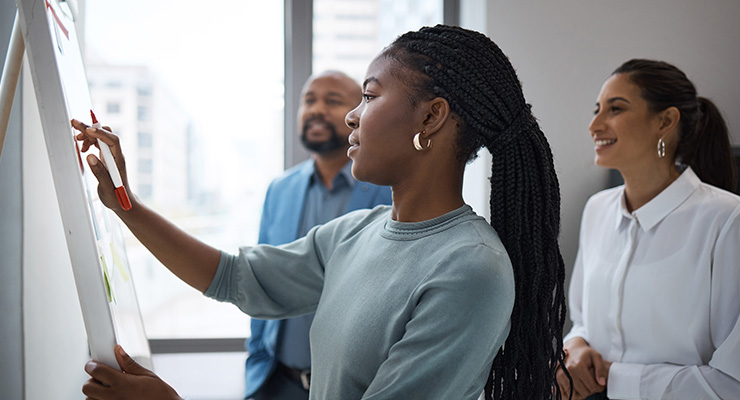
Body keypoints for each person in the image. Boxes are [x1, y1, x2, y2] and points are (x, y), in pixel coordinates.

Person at [76, 24, 568, 400]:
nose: (353, 114)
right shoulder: (356, 232)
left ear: (431, 117)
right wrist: (126, 204)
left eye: (370, 96)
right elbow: (234, 277)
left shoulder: (471, 268)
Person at [557, 59, 740, 400]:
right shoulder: (597, 209)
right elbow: (582, 322)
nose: (594, 124)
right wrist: (576, 347)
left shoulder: (727, 221)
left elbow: (732, 382)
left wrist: (613, 378)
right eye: (597, 109)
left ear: (666, 121)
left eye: (615, 108)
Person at [246, 70, 392, 400]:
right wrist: (255, 361)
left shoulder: (389, 192)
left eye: (333, 101)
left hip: (355, 389)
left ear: (360, 115)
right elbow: (259, 277)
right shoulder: (279, 190)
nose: (316, 109)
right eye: (308, 100)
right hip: (276, 383)